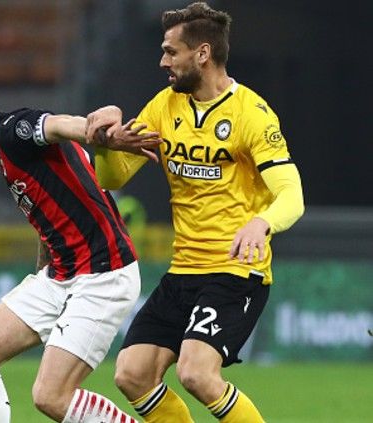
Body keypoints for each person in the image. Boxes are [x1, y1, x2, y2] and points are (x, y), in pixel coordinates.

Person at [85, 2, 305, 422]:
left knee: (197, 374)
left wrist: (262, 222)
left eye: (171, 51)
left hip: (235, 272)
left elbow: (292, 194)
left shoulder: (252, 115)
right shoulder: (164, 107)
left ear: (201, 54)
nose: (162, 60)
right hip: (184, 270)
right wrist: (105, 146)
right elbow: (114, 177)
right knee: (132, 374)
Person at [0, 62, 156, 423]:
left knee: (51, 397)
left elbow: (58, 124)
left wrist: (98, 131)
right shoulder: (4, 152)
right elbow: (48, 212)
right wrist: (42, 269)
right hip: (61, 276)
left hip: (102, 274)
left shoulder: (12, 131)